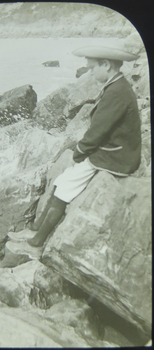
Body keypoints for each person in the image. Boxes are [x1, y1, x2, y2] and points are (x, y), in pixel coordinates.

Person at [8, 44, 141, 258]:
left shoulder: (116, 92)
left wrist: (78, 154)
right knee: (62, 178)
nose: (89, 72)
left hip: (117, 156)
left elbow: (98, 131)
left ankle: (36, 244)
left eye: (91, 68)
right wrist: (80, 153)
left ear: (106, 65)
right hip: (114, 149)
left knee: (66, 184)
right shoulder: (117, 86)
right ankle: (34, 230)